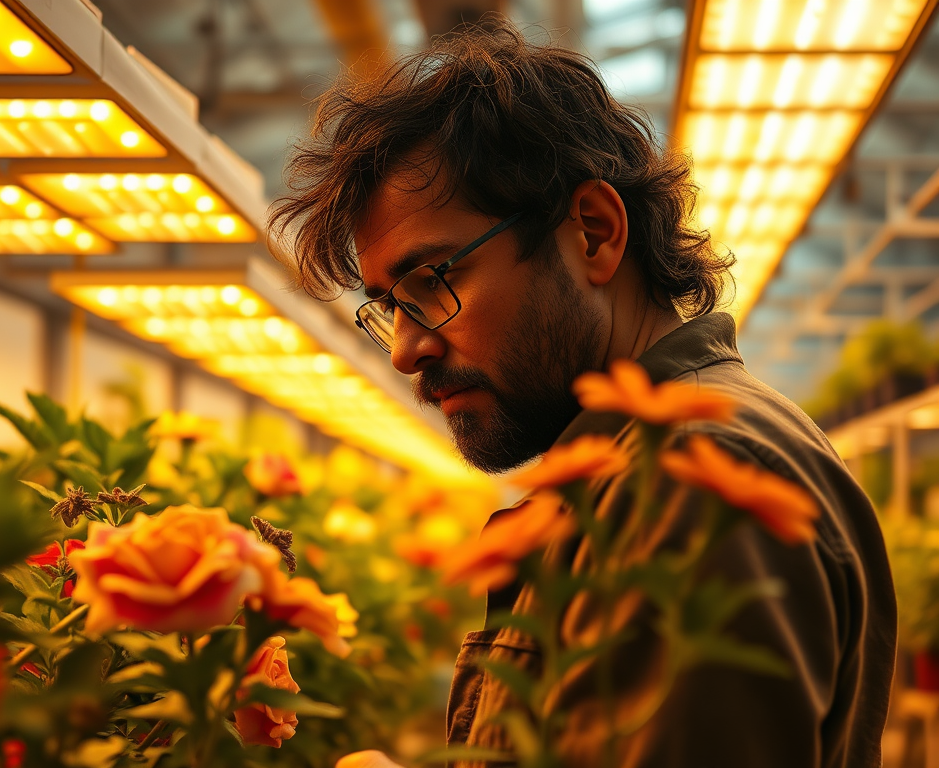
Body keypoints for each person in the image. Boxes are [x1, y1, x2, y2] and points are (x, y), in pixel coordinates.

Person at [269, 19, 897, 768]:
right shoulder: (628, 477)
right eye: (389, 308)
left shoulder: (696, 478)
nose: (406, 350)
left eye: (433, 282)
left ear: (594, 233)